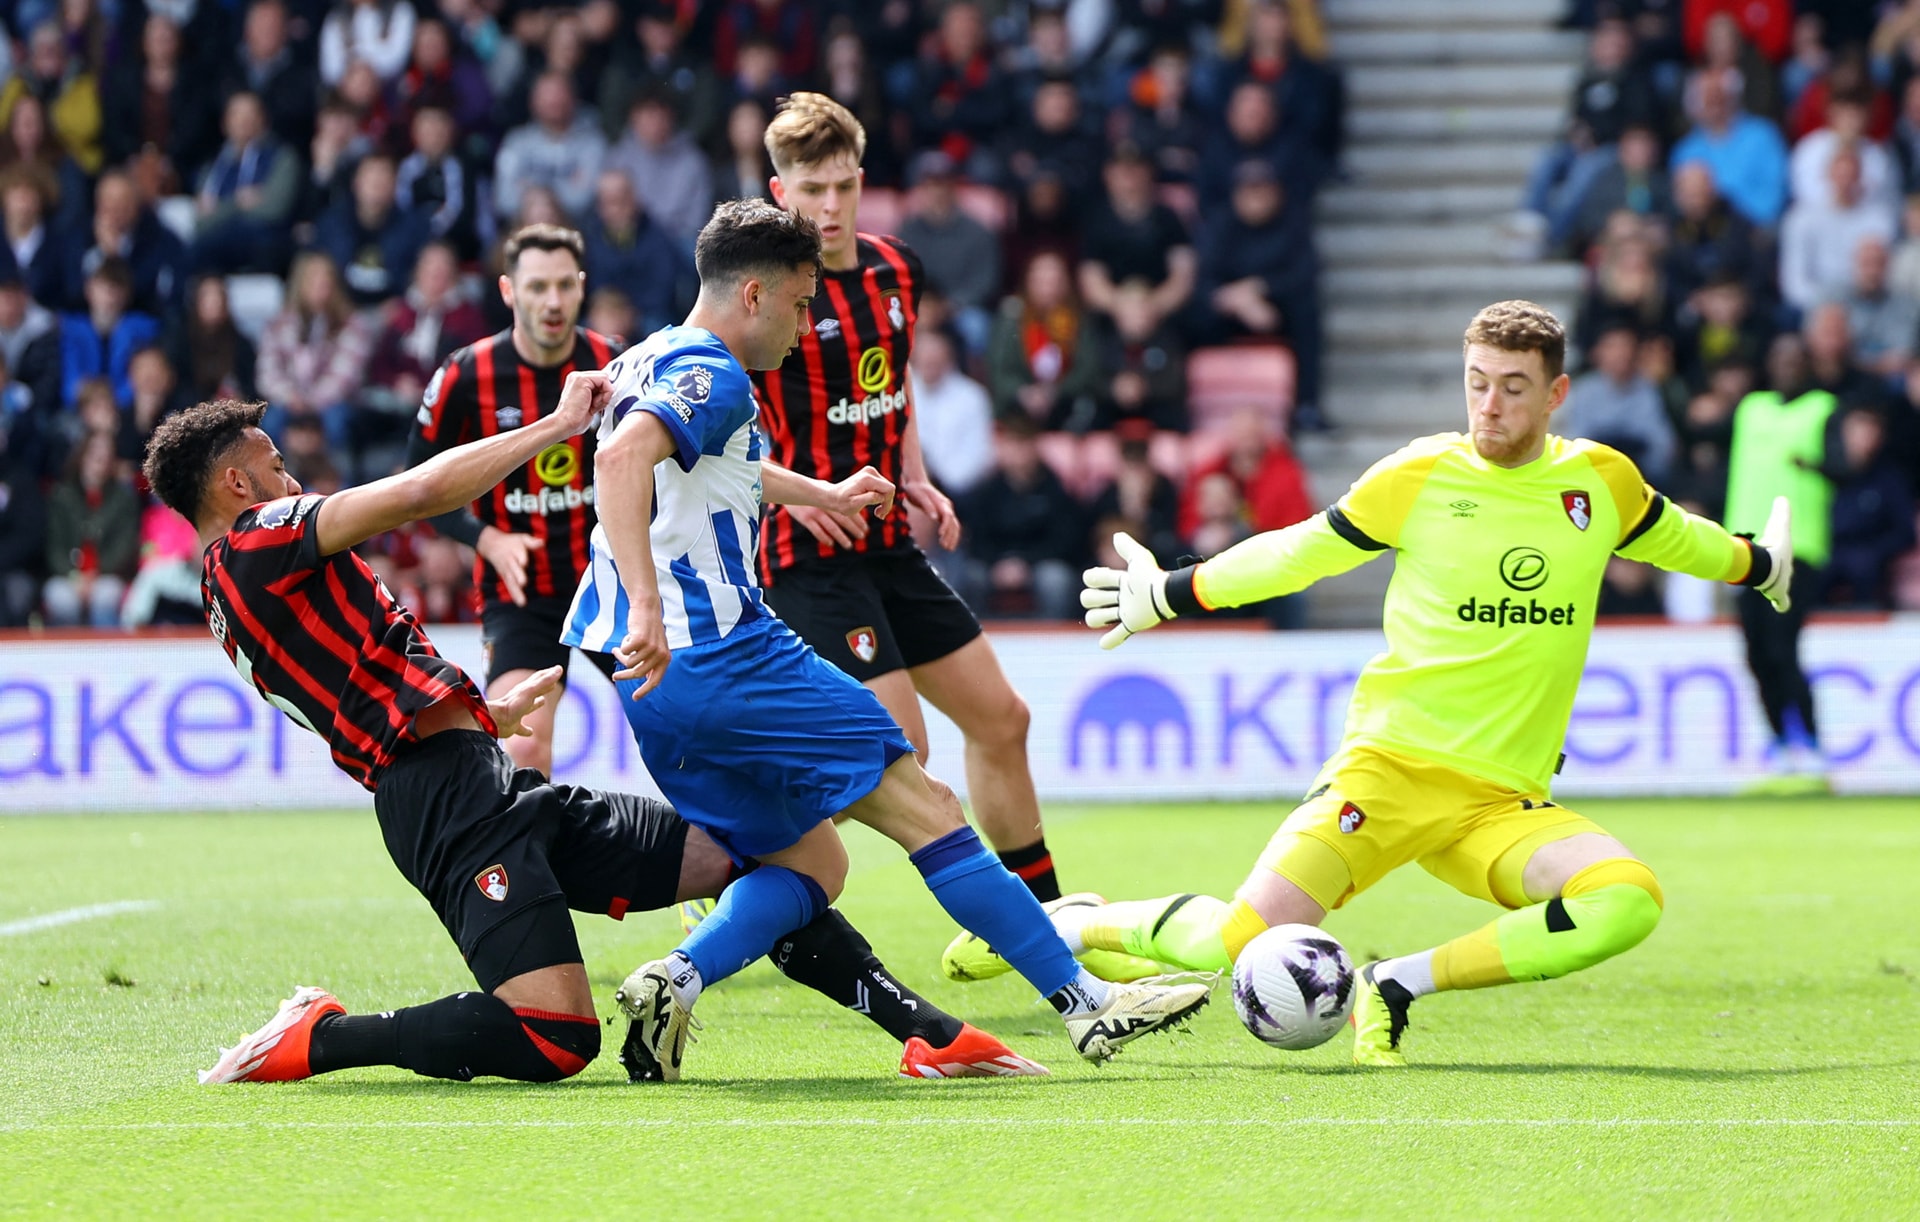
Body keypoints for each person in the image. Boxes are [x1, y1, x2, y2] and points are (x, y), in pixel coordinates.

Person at [153, 390, 1048, 1086]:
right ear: (237, 485)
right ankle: (324, 1037)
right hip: (446, 804)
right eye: (274, 465)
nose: (292, 479)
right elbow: (419, 493)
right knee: (555, 1038)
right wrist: (554, 426)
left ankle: (927, 1033)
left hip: (475, 771)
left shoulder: (228, 592)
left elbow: (345, 684)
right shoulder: (257, 540)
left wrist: (480, 715)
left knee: (753, 860)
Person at [986, 300, 1795, 1067]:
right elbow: (1300, 552)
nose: (1490, 404)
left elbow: (1677, 538)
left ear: (1556, 394)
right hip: (1389, 771)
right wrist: (1173, 590)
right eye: (1477, 382)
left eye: (1514, 388)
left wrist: (1758, 564)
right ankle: (1084, 921)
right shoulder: (1420, 475)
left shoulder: (1601, 483)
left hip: (1499, 803)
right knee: (1237, 943)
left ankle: (1397, 983)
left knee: (1625, 900)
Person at [562, 198, 1210, 1080]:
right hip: (722, 653)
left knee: (813, 864)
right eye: (798, 306)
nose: (805, 326)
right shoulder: (715, 372)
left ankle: (674, 978)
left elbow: (707, 464)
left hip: (653, 686)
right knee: (929, 807)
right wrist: (646, 600)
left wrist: (821, 495)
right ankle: (1088, 1003)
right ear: (752, 294)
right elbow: (618, 461)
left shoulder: (647, 355)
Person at [748, 93, 1136, 945]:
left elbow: (892, 390)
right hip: (810, 551)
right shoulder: (762, 293)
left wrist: (916, 475)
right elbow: (720, 432)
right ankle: (736, 858)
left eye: (844, 186)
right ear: (781, 193)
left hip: (888, 541)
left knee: (1004, 720)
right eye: (811, 189)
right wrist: (804, 498)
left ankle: (1046, 914)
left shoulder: (895, 269)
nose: (830, 207)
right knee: (900, 753)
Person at [402, 225, 616, 780]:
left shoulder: (616, 366)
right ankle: (535, 864)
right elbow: (416, 488)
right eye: (537, 286)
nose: (552, 301)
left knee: (681, 723)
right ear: (507, 291)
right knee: (521, 748)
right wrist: (486, 538)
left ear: (581, 287)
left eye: (565, 286)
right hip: (523, 593)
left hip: (612, 582)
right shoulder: (464, 376)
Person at [1726, 333, 1835, 787]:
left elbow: (1848, 464)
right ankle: (1779, 742)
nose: (1787, 366)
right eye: (1779, 357)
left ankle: (1808, 743)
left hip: (1798, 547)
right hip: (1744, 547)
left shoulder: (1824, 409)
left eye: (1796, 359)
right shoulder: (1750, 409)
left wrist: (1815, 468)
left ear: (1809, 364)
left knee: (1783, 648)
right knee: (1754, 652)